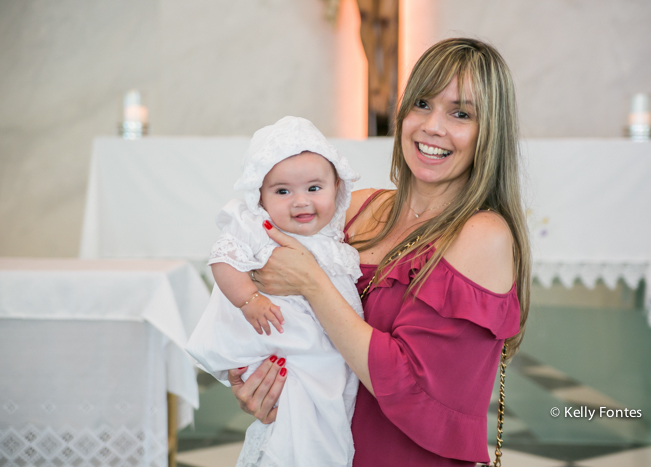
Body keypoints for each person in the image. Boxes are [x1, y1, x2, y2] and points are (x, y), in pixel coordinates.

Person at [225, 38, 531, 466]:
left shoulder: (483, 235)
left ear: (489, 132)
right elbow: (284, 318)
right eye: (422, 103)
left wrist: (313, 283)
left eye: (460, 113)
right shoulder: (354, 209)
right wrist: (262, 384)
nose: (433, 127)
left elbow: (413, 386)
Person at [186, 116, 364, 467]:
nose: (300, 202)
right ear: (261, 197)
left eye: (314, 188)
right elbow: (223, 258)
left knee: (330, 409)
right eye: (283, 191)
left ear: (336, 188)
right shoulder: (256, 225)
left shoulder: (332, 236)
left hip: (326, 348)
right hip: (284, 341)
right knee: (301, 420)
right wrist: (249, 298)